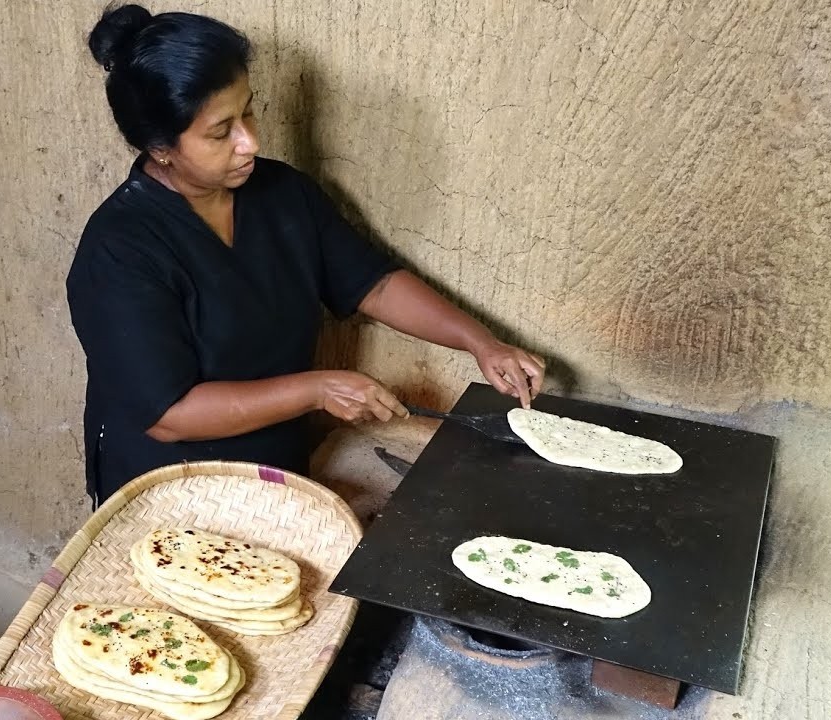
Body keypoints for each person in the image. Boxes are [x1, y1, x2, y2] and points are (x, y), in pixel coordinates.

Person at [68, 4, 546, 505]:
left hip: (274, 466)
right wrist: (317, 390)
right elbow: (170, 416)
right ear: (160, 146)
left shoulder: (282, 194)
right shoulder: (119, 251)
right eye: (220, 131)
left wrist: (480, 342)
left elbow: (373, 283)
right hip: (171, 486)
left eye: (248, 111)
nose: (250, 142)